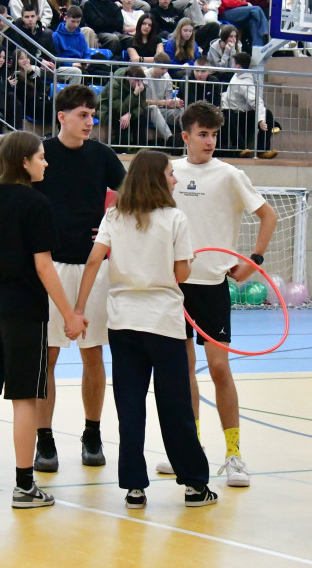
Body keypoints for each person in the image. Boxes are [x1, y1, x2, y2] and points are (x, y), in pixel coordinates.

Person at [75, 149, 218, 509]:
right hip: (163, 324)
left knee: (130, 406)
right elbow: (181, 275)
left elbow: (94, 260)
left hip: (123, 324)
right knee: (175, 407)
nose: (174, 179)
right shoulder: (174, 219)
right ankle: (195, 486)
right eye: (170, 173)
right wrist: (189, 260)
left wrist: (78, 308)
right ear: (158, 178)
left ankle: (134, 488)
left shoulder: (114, 216)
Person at [0, 130, 86, 508]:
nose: (46, 162)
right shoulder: (36, 204)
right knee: (25, 398)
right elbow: (43, 266)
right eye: (41, 157)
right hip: (23, 313)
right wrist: (70, 315)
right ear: (24, 162)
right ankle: (25, 487)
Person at [158, 102, 277, 487]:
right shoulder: (169, 172)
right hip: (174, 287)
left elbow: (268, 216)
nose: (209, 141)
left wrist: (253, 260)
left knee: (220, 369)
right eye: (203, 134)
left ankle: (234, 454)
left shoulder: (229, 174)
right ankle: (189, 452)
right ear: (186, 136)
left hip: (212, 287)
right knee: (182, 372)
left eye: (214, 134)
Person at [32, 85, 127, 472]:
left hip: (93, 269)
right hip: (50, 268)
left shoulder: (103, 155)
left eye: (93, 115)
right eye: (83, 115)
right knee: (47, 359)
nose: (90, 122)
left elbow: (128, 194)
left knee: (93, 355)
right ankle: (45, 440)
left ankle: (92, 433)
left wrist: (110, 226)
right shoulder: (41, 153)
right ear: (63, 117)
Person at [219, 51, 275, 159]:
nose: (232, 65)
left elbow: (256, 101)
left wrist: (261, 120)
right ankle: (240, 148)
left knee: (267, 114)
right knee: (227, 114)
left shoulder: (245, 84)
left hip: (242, 115)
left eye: (233, 63)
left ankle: (262, 149)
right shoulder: (237, 75)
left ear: (238, 66)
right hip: (233, 112)